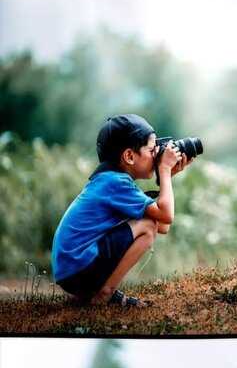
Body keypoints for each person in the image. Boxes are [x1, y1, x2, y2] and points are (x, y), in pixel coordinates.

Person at [51, 113, 192, 307]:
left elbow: (163, 226)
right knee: (147, 225)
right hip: (78, 266)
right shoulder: (116, 183)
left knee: (150, 223)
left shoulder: (111, 181)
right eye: (152, 150)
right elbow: (164, 218)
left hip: (72, 269)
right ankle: (105, 293)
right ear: (129, 156)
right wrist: (165, 171)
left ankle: (96, 292)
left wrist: (165, 177)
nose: (156, 155)